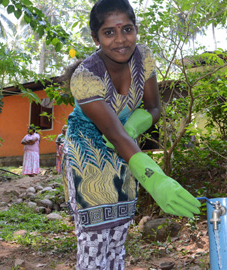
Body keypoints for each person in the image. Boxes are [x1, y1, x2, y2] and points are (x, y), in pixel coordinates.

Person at [62, 0, 201, 268]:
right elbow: (113, 135)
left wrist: (133, 126)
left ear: (136, 29)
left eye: (127, 29)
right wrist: (154, 178)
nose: (120, 40)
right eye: (109, 32)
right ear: (95, 37)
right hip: (87, 154)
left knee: (118, 232)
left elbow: (154, 108)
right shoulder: (85, 76)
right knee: (94, 237)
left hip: (126, 151)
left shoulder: (143, 57)